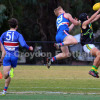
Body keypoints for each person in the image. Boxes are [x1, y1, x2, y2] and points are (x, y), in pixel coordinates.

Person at [0, 18, 33, 95]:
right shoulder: (18, 35)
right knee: (9, 73)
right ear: (16, 26)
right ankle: (4, 90)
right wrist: (29, 48)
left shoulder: (4, 34)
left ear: (9, 25)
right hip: (14, 56)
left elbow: (0, 42)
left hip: (6, 56)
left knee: (5, 76)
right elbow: (23, 44)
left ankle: (5, 89)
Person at [79, 9, 100, 78]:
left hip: (90, 45)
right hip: (87, 45)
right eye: (87, 16)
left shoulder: (88, 23)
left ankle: (94, 70)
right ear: (85, 18)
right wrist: (98, 10)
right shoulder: (84, 24)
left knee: (99, 56)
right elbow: (92, 18)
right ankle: (92, 70)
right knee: (99, 54)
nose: (88, 16)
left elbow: (96, 17)